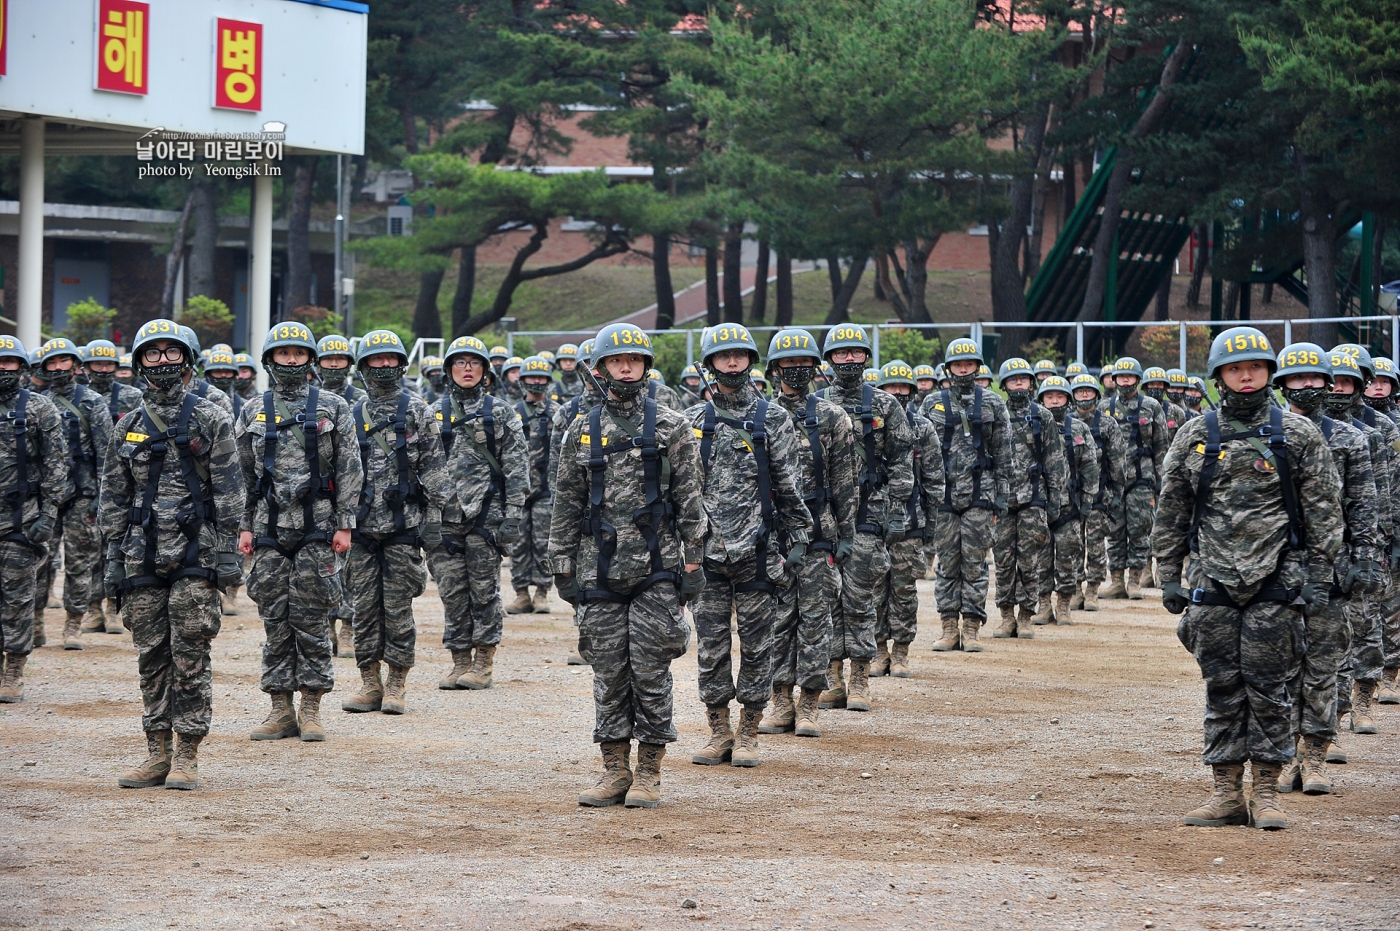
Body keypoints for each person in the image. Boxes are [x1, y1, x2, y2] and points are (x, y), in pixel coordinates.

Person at [1154, 326, 1343, 831]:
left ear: (1268, 374)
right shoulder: (1195, 434)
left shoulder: (1298, 434)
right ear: (1219, 375)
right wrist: (1168, 574)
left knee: (1269, 689)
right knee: (1222, 688)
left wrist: (1319, 575)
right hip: (1212, 581)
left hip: (1277, 581)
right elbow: (1172, 508)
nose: (1245, 376)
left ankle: (1266, 793)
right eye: (1235, 369)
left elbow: (1324, 510)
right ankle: (1225, 793)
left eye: (1254, 368)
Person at [550, 323, 706, 808]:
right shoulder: (580, 428)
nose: (625, 367)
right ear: (599, 368)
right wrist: (561, 564)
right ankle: (614, 769)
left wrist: (695, 559)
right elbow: (566, 501)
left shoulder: (671, 425)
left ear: (645, 366)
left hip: (657, 569)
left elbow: (690, 498)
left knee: (651, 670)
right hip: (598, 569)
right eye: (616, 360)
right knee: (609, 672)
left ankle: (650, 772)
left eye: (634, 360)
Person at [102, 320, 242, 789]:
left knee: (190, 651)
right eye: (152, 353)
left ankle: (187, 754)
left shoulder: (212, 417)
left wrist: (227, 555)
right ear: (139, 362)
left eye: (171, 352)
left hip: (195, 552)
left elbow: (229, 491)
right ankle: (156, 753)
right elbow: (114, 499)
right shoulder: (127, 425)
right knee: (150, 655)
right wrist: (113, 562)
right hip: (141, 554)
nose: (162, 361)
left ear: (187, 358)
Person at [685, 324, 812, 768]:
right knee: (711, 646)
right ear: (711, 365)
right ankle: (718, 730)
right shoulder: (694, 422)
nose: (733, 362)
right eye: (724, 356)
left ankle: (749, 732)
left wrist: (797, 541)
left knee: (759, 646)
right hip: (707, 555)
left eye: (740, 355)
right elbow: (683, 493)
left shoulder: (773, 418)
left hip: (759, 552)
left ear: (752, 362)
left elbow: (790, 487)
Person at [236, 322, 362, 743]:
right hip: (269, 526)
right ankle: (279, 709)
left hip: (319, 525)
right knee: (274, 618)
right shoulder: (252, 410)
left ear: (310, 359)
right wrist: (243, 526)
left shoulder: (333, 406)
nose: (291, 360)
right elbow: (243, 476)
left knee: (310, 619)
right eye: (282, 353)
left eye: (298, 353)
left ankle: (311, 707)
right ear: (269, 360)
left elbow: (349, 467)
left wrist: (345, 523)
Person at [1271, 344, 1380, 796]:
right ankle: (1281, 755)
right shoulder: (1266, 433)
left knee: (1322, 667)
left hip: (1329, 571)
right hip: (1273, 568)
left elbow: (1363, 504)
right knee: (1277, 666)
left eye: (1319, 379)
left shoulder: (1350, 439)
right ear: (1282, 386)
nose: (1312, 387)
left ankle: (1314, 757)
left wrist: (1364, 559)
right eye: (1300, 379)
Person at [339, 330, 450, 717]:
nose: (384, 366)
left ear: (402, 364)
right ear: (364, 365)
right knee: (363, 609)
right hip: (360, 529)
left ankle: (397, 683)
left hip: (404, 526)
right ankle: (370, 682)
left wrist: (435, 521)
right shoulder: (348, 413)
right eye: (376, 359)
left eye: (391, 359)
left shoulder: (418, 410)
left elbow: (435, 470)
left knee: (398, 608)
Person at [760, 328, 856, 738]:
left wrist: (846, 534)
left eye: (804, 363)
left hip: (820, 534)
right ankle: (779, 699)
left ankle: (809, 703)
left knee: (816, 621)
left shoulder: (833, 417)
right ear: (774, 368)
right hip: (775, 536)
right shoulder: (761, 415)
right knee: (777, 620)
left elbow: (846, 480)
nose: (797, 370)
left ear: (816, 367)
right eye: (788, 363)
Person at [818, 324, 913, 706]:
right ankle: (831, 677)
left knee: (859, 598)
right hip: (823, 517)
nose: (849, 359)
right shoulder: (817, 404)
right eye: (841, 353)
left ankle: (860, 677)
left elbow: (903, 462)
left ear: (866, 358)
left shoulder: (886, 405)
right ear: (829, 359)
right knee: (824, 598)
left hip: (868, 515)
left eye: (856, 353)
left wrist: (894, 511)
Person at [429, 335, 530, 693]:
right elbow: (422, 467)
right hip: (444, 519)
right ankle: (459, 660)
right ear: (448, 370)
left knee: (484, 592)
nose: (467, 369)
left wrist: (513, 514)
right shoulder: (433, 413)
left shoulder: (500, 411)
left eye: (474, 363)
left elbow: (518, 466)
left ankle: (483, 662)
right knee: (451, 592)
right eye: (460, 362)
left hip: (487, 517)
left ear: (485, 371)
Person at [920, 338, 1011, 652]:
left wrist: (1003, 495)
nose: (963, 369)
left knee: (974, 563)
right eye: (958, 364)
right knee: (946, 563)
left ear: (978, 367)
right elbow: (920, 453)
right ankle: (948, 627)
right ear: (948, 368)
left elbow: (1003, 453)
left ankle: (971, 627)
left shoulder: (993, 403)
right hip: (942, 497)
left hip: (979, 494)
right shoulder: (931, 404)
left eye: (969, 364)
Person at [1325, 346, 1397, 739]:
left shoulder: (1379, 432)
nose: (1339, 388)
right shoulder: (1305, 427)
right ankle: (1330, 718)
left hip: (1363, 545)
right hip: (1321, 549)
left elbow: (1386, 492)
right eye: (1333, 379)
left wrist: (1384, 545)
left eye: (1348, 381)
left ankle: (1363, 697)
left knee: (1366, 623)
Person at [0, 337, 72, 702]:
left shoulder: (40, 408)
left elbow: (56, 466)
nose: (2, 369)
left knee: (17, 598)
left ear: (23, 367)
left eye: (9, 363)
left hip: (21, 521)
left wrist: (47, 516)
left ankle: (14, 669)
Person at [36, 337, 114, 651]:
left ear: (75, 365)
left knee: (80, 563)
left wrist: (102, 494)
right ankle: (36, 622)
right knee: (40, 561)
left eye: (63, 361)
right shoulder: (36, 402)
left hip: (83, 496)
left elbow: (106, 452)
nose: (57, 368)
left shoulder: (92, 401)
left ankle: (73, 624)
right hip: (45, 497)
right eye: (51, 363)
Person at [872, 360, 942, 674]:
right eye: (891, 387)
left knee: (904, 590)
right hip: (871, 523)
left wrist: (930, 525)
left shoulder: (923, 427)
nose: (898, 392)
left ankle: (901, 652)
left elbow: (934, 479)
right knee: (872, 590)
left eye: (904, 387)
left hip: (910, 523)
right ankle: (877, 651)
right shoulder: (866, 424)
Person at [992, 357, 1070, 637]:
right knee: (1002, 560)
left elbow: (1055, 460)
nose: (1018, 384)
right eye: (1013, 380)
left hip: (1033, 498)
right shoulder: (995, 413)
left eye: (1023, 379)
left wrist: (1056, 499)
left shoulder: (1042, 416)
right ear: (1004, 384)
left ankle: (1026, 615)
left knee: (1029, 560)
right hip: (1001, 501)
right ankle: (1005, 615)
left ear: (1031, 383)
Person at [85, 338, 143, 635]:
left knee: (115, 547)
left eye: (109, 364)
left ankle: (112, 608)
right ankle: (92, 608)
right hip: (85, 485)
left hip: (123, 483)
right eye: (98, 364)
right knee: (89, 552)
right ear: (87, 367)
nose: (104, 369)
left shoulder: (133, 397)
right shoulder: (80, 397)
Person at [1099, 357, 1169, 600]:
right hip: (1113, 482)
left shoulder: (1152, 407)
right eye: (1121, 376)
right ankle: (1116, 580)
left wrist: (1161, 480)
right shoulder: (1104, 408)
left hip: (1143, 477)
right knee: (1115, 529)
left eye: (1130, 376)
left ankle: (1135, 581)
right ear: (1114, 379)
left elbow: (1161, 446)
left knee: (1140, 530)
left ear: (1138, 380)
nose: (1125, 380)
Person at [1037, 375, 1099, 627]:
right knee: (1040, 558)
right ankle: (1043, 604)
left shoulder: (1080, 429)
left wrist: (1086, 502)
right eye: (1049, 396)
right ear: (1041, 399)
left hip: (1070, 505)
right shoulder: (1033, 426)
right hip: (1038, 504)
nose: (1054, 401)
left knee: (1067, 556)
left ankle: (1064, 604)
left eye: (1059, 396)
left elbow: (1090, 468)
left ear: (1068, 400)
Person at [506, 356, 561, 616]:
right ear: (522, 381)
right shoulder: (510, 411)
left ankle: (541, 593)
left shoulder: (556, 413)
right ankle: (521, 594)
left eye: (541, 378)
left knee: (542, 543)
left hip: (546, 491)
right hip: (516, 491)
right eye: (531, 378)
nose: (536, 382)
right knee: (517, 543)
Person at [1068, 373, 1126, 612]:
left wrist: (1115, 492)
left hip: (1098, 494)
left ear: (1096, 394)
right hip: (1070, 494)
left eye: (1088, 391)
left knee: (1095, 543)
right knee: (1071, 544)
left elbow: (1117, 461)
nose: (1084, 394)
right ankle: (1074, 589)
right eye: (1079, 391)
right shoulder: (1065, 422)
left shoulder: (1108, 424)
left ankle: (1092, 589)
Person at [1363, 355, 1400, 705]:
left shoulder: (1393, 428)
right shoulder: (1354, 427)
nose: (1377, 386)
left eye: (1384, 381)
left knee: (1392, 609)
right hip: (1370, 532)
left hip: (1393, 529)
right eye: (1373, 380)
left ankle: (1390, 675)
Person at [1143, 366, 1189, 445]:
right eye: (1152, 384)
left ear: (1165, 387)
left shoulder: (1176, 411)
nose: (1156, 387)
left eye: (1159, 384)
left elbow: (1183, 442)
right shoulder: (1137, 409)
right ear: (1145, 387)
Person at [318, 334, 367, 407]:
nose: (333, 364)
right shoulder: (310, 399)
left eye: (340, 358)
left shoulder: (363, 400)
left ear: (349, 364)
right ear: (318, 364)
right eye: (327, 358)